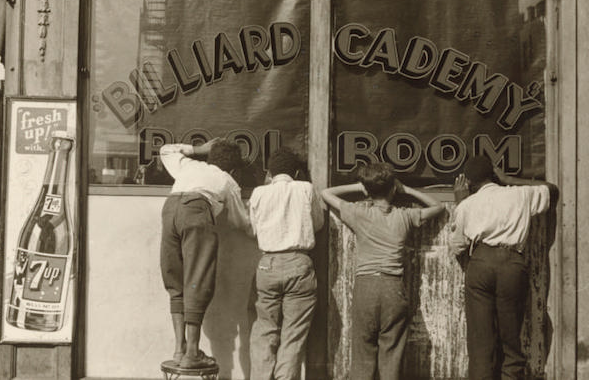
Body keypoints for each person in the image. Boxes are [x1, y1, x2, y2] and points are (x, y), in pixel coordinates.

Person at [321, 163, 444, 380]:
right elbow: (438, 207)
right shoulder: (404, 216)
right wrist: (407, 189)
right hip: (393, 287)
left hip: (366, 286)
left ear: (367, 191)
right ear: (393, 189)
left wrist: (361, 187)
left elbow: (326, 193)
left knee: (362, 351)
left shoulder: (359, 214)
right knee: (392, 353)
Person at [448, 156, 558, 380]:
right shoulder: (519, 194)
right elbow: (551, 190)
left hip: (481, 263)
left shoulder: (467, 204)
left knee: (481, 339)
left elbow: (457, 246)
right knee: (510, 335)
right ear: (494, 175)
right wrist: (509, 179)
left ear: (468, 182)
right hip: (512, 263)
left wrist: (460, 203)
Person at [159, 138, 251, 369]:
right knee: (197, 281)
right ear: (233, 168)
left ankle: (179, 350)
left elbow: (165, 150)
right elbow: (241, 222)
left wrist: (199, 149)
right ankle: (192, 353)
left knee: (175, 282)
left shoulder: (191, 166)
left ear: (210, 157)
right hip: (198, 211)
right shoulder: (228, 180)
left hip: (170, 210)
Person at [248, 147, 324, 380]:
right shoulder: (306, 188)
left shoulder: (259, 192)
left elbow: (253, 229)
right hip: (299, 263)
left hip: (268, 264)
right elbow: (318, 224)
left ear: (269, 173)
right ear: (298, 172)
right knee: (293, 335)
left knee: (264, 329)